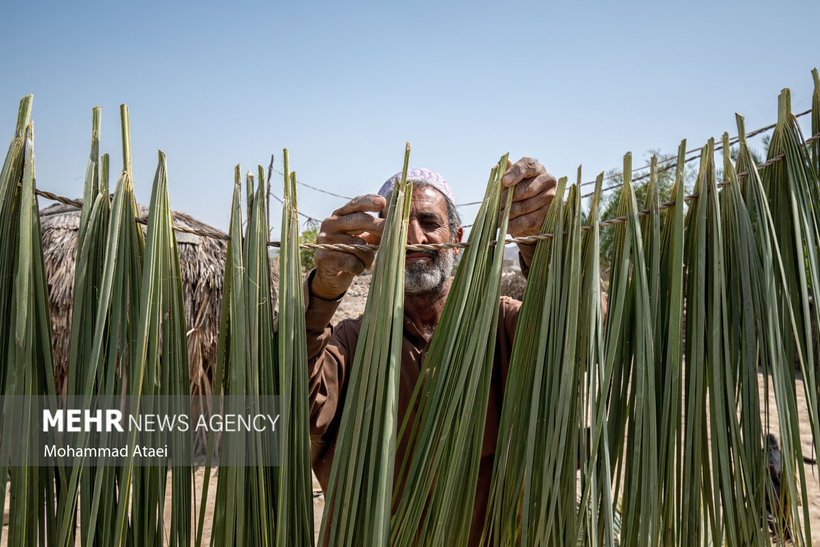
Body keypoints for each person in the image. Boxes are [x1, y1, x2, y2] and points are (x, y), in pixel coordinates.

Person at [305, 158, 556, 543]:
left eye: (428, 222)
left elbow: (585, 332)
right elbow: (284, 409)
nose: (414, 239)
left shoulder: (503, 325)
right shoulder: (350, 344)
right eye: (398, 227)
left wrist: (547, 248)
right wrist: (322, 292)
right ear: (375, 243)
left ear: (456, 237)